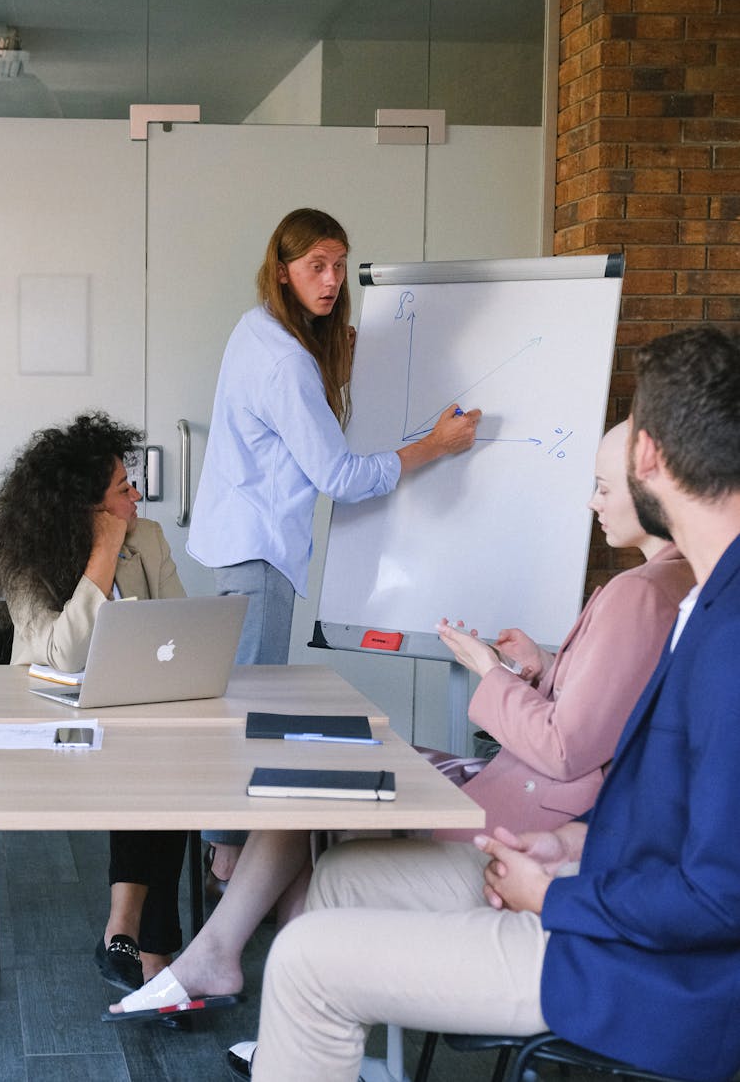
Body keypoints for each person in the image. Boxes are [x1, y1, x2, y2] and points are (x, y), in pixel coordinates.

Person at [225, 324, 740, 1082]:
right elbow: (682, 818)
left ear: (648, 460)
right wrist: (572, 847)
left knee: (302, 959)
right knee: (334, 895)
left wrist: (557, 895)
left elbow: (719, 895)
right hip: (600, 895)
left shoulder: (723, 627)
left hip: (637, 969)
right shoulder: (705, 597)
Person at [110, 421, 692, 1022]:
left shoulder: (638, 594)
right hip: (538, 797)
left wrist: (488, 671)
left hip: (528, 813)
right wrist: (544, 669)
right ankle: (260, 985)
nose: (592, 501)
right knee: (319, 774)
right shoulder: (673, 583)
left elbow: (566, 746)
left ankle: (270, 991)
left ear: (650, 486)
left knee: (314, 784)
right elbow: (607, 717)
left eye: (602, 486)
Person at [186, 207, 480, 890]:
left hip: (241, 544)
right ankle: (228, 860)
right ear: (283, 269)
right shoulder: (288, 361)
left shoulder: (257, 327)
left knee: (238, 704)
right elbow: (340, 477)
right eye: (316, 265)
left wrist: (335, 361)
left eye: (340, 264)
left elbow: (302, 428)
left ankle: (225, 856)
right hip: (260, 554)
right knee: (245, 714)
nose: (331, 278)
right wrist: (434, 446)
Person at [0, 413, 188, 998]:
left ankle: (132, 940)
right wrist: (102, 553)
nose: (136, 495)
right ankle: (151, 953)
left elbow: (177, 628)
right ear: (86, 506)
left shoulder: (147, 537)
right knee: (152, 771)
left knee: (166, 770)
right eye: (123, 489)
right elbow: (62, 654)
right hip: (48, 729)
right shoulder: (24, 556)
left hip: (130, 719)